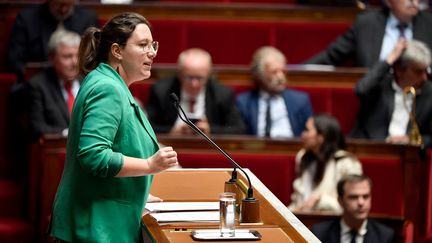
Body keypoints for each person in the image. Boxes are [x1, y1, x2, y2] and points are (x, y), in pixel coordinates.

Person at [49, 12, 178, 242]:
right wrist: (150, 165)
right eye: (142, 45)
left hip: (103, 222)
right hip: (94, 228)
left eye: (153, 44)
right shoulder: (107, 88)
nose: (152, 52)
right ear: (117, 51)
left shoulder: (108, 82)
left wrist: (136, 193)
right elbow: (93, 155)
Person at [350, 39, 432, 149]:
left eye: (425, 71)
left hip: (409, 155)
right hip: (371, 148)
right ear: (399, 70)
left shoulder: (429, 92)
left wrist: (412, 140)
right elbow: (361, 90)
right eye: (418, 71)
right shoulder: (379, 85)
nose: (424, 77)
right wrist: (389, 60)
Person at [146, 48, 246, 135]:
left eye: (200, 78)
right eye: (189, 77)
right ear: (180, 74)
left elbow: (239, 129)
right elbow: (146, 127)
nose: (194, 84)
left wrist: (210, 130)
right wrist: (171, 131)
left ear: (208, 76)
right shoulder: (161, 91)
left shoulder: (222, 94)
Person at [305, 0, 432, 68]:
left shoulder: (429, 25)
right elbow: (331, 56)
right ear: (388, 1)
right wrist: (298, 72)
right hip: (374, 102)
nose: (413, 0)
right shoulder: (365, 24)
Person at [7, 0, 98, 82]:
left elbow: (94, 58)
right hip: (37, 83)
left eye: (68, 5)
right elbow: (14, 60)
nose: (63, 9)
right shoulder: (27, 19)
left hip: (77, 81)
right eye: (59, 4)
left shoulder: (88, 18)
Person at [288, 114, 362, 212]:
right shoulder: (303, 158)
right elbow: (297, 201)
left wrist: (320, 200)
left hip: (331, 223)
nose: (303, 135)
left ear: (321, 137)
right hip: (302, 221)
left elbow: (352, 205)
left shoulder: (346, 163)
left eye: (307, 130)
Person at [236, 46, 313, 138]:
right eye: (274, 72)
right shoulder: (244, 102)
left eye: (283, 71)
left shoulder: (300, 101)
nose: (281, 77)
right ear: (259, 74)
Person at [27, 29, 81, 140]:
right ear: (52, 58)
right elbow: (37, 127)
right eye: (67, 57)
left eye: (78, 56)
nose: (74, 62)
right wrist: (67, 133)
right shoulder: (38, 85)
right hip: (57, 151)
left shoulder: (89, 80)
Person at [311, 174, 395, 243]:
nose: (361, 203)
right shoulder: (320, 233)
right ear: (340, 201)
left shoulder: (384, 236)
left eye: (365, 197)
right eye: (353, 197)